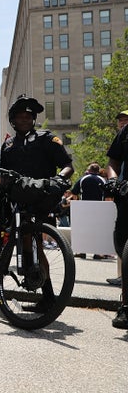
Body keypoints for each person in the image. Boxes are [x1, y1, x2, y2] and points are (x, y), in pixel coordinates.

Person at [0, 94, 73, 312]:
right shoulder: (9, 144)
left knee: (38, 247)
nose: (24, 120)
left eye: (28, 116)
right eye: (20, 116)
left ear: (33, 119)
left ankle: (48, 297)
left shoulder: (46, 138)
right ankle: (32, 282)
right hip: (18, 200)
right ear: (13, 120)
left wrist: (60, 179)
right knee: (24, 244)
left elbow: (68, 166)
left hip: (42, 199)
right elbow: (4, 174)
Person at [105, 119, 128, 327]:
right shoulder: (126, 131)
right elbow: (113, 161)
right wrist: (112, 181)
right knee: (123, 248)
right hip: (126, 196)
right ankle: (126, 307)